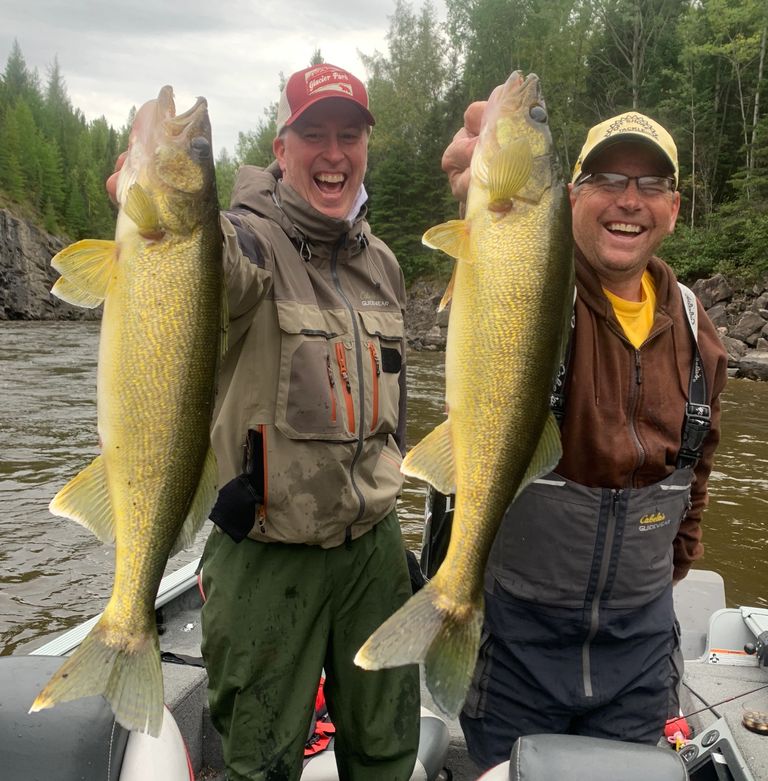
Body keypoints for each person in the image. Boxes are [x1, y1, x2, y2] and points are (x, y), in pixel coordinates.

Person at [110, 64, 420, 781]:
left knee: (386, 749)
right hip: (267, 554)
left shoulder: (385, 265)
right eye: (314, 134)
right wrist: (153, 201)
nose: (333, 153)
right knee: (261, 760)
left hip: (373, 548)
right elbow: (213, 262)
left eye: (350, 135)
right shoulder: (249, 242)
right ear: (282, 149)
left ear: (367, 148)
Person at [440, 100, 729, 770]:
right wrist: (481, 195)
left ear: (675, 208)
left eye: (651, 184)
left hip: (640, 652)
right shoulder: (537, 291)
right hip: (519, 643)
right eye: (607, 180)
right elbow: (504, 251)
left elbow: (700, 467)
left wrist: (669, 564)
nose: (629, 200)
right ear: (568, 196)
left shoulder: (696, 330)